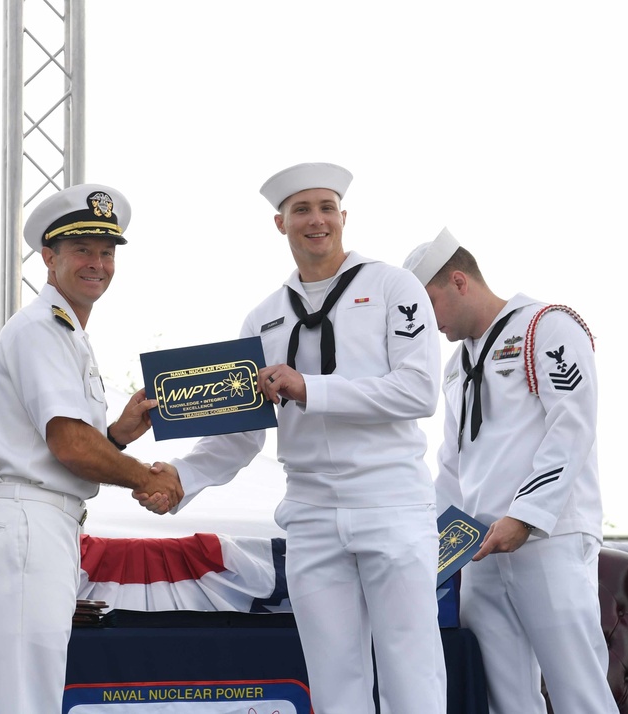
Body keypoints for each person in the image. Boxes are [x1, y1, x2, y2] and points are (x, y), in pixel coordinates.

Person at [139, 163, 447, 714]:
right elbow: (239, 435)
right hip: (310, 510)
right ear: (280, 223)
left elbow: (419, 392)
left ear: (344, 217)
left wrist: (312, 388)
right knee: (332, 678)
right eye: (302, 210)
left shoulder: (391, 286)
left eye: (327, 208)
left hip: (391, 503)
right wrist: (180, 478)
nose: (316, 220)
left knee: (411, 669)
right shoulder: (263, 318)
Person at [0, 183, 183, 714]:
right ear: (48, 257)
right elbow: (68, 446)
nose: (98, 263)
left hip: (42, 524)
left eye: (107, 252)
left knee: (18, 694)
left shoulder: (67, 334)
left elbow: (70, 445)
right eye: (82, 249)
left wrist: (118, 436)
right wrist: (147, 478)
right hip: (26, 522)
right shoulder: (44, 328)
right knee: (23, 699)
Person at [403, 227, 615, 713]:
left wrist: (525, 516)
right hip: (480, 549)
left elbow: (572, 426)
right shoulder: (455, 367)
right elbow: (452, 466)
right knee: (506, 699)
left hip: (548, 536)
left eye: (428, 305)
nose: (423, 324)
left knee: (578, 691)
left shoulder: (547, 325)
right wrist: (435, 545)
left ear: (459, 282)